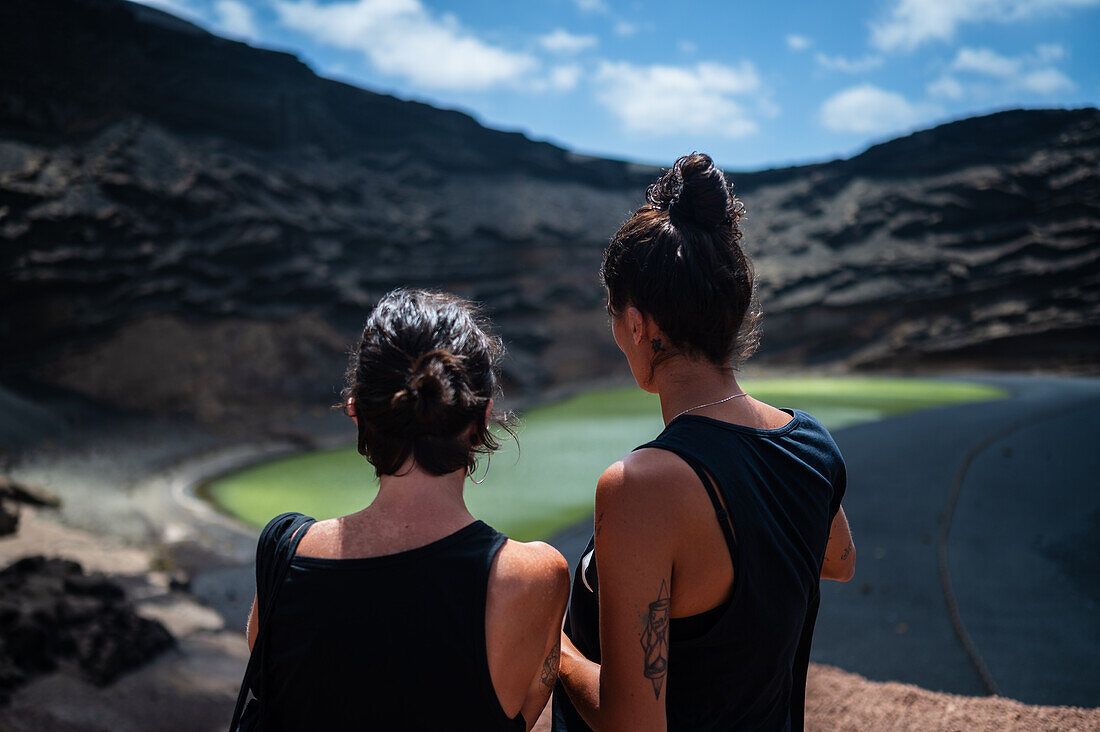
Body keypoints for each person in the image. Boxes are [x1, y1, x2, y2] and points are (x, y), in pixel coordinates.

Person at [553, 154, 855, 732]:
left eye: (615, 318)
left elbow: (631, 724)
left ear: (638, 325)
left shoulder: (642, 485)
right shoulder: (811, 442)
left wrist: (556, 646)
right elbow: (838, 560)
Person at [244, 288, 570, 731]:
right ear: (481, 419)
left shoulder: (283, 553)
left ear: (357, 414)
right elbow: (527, 711)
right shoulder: (532, 576)